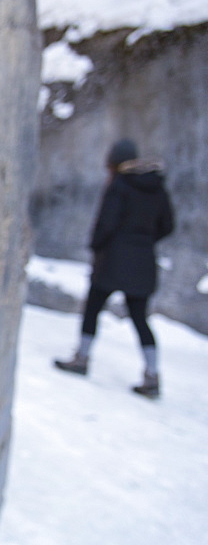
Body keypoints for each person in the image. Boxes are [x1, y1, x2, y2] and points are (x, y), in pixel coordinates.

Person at [54, 138, 175, 398]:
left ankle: (82, 359)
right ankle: (152, 375)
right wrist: (144, 241)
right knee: (140, 318)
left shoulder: (120, 185)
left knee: (93, 308)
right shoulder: (157, 187)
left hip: (113, 259)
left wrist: (96, 246)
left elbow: (106, 223)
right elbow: (168, 225)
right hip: (143, 261)